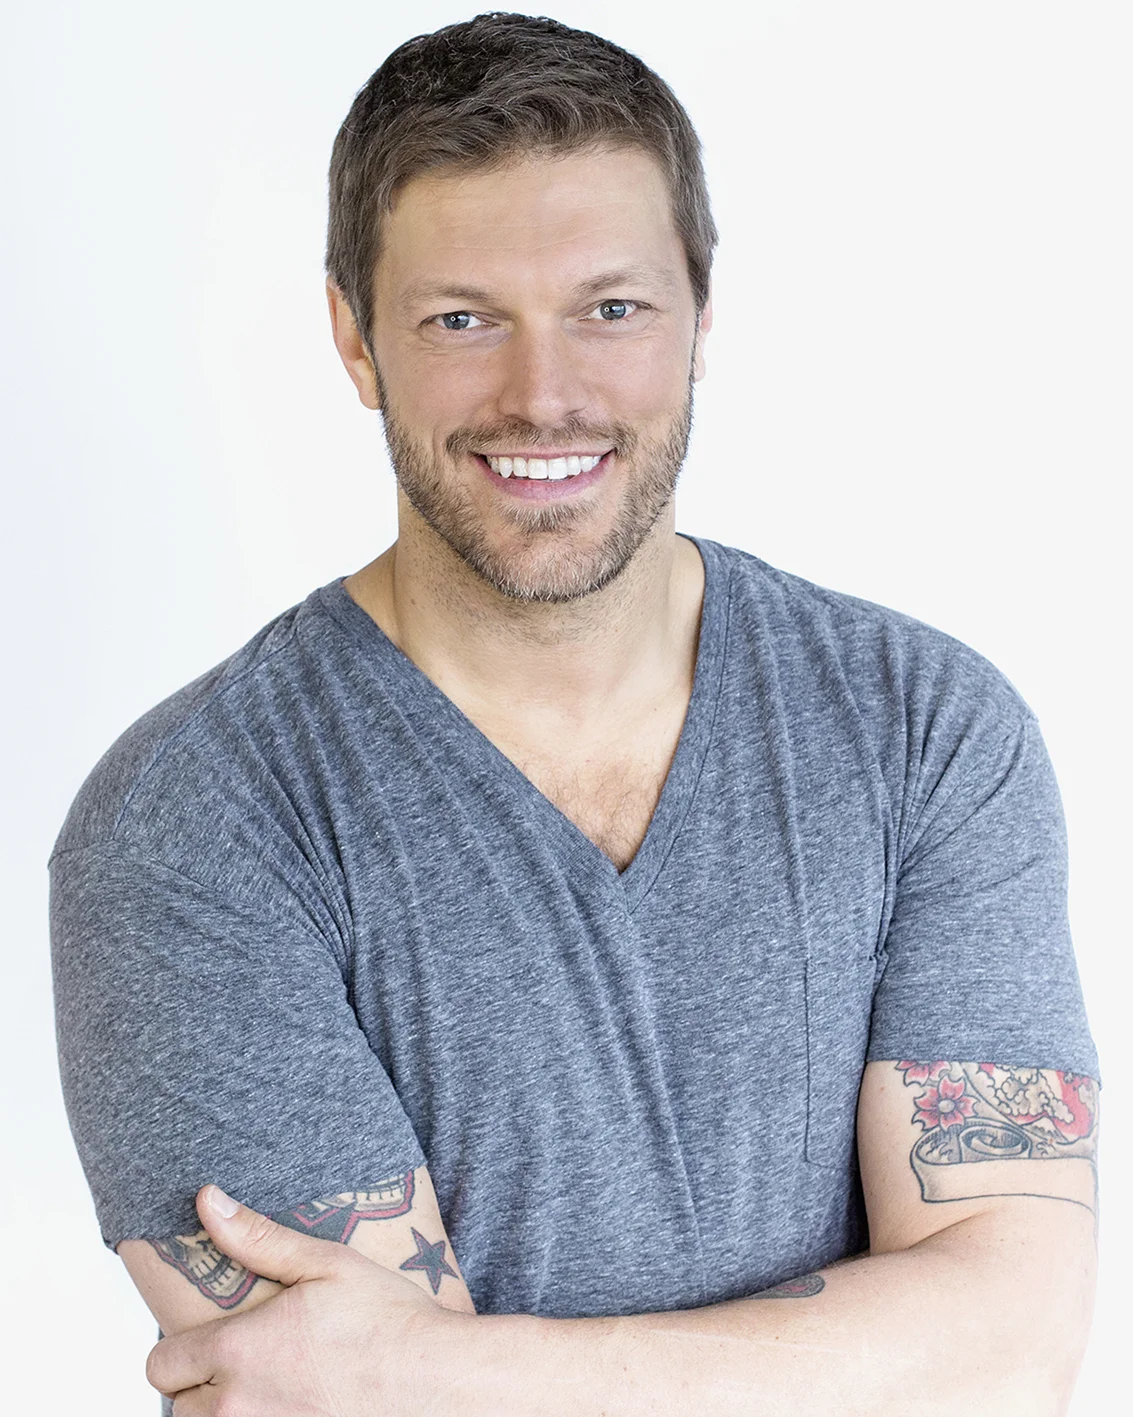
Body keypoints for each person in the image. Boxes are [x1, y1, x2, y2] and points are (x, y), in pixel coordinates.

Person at [49, 12, 1100, 1414]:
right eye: (461, 319)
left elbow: (1013, 1348)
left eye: (612, 308)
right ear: (355, 341)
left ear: (702, 321)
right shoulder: (192, 829)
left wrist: (456, 1373)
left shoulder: (925, 732)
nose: (544, 397)